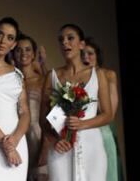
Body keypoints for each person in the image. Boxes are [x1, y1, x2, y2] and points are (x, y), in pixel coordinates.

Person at [40, 24, 112, 181]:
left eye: (70, 38)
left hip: (92, 145)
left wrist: (82, 124)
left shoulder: (97, 74)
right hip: (61, 147)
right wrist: (55, 140)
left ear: (82, 44)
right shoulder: (51, 76)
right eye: (61, 40)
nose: (65, 42)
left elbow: (108, 114)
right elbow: (43, 119)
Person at [0, 17, 30, 181]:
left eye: (10, 38)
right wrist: (6, 145)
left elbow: (25, 112)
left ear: (14, 44)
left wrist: (15, 139)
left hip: (17, 141)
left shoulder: (17, 74)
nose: (3, 41)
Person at [83, 36, 122, 181]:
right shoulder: (77, 77)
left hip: (103, 129)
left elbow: (110, 111)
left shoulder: (108, 74)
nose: (86, 57)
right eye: (83, 54)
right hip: (82, 132)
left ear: (97, 55)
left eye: (90, 53)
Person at [14, 34, 49, 180]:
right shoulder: (9, 80)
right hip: (17, 138)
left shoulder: (43, 81)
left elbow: (51, 116)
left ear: (34, 54)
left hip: (38, 138)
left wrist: (45, 149)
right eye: (19, 50)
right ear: (13, 52)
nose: (23, 54)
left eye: (28, 50)